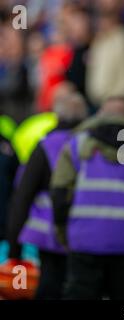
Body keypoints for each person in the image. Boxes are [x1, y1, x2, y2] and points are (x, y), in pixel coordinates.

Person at [51, 97, 124, 300]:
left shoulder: (77, 145)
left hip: (84, 241)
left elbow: (60, 193)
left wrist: (63, 232)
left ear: (99, 115)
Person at [5, 93, 88, 299]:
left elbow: (22, 197)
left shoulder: (46, 146)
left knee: (50, 287)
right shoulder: (92, 146)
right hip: (85, 235)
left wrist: (14, 248)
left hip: (50, 238)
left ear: (56, 115)